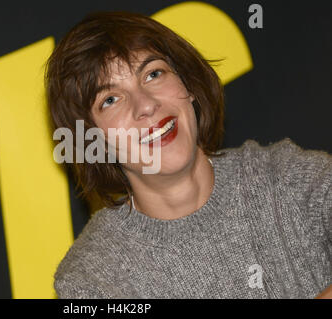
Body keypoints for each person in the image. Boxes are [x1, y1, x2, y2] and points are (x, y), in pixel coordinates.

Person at [44, 11, 331, 298]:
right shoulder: (90, 280)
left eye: (153, 74)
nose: (146, 105)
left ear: (188, 85)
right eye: (110, 99)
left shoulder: (287, 178)